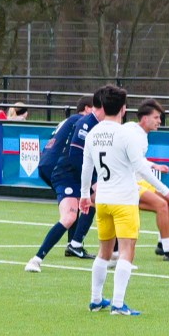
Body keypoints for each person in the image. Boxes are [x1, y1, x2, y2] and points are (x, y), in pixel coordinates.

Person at [79, 85, 169, 316]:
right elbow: (141, 167)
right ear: (123, 109)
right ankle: (119, 304)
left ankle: (95, 299)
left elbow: (86, 168)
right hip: (123, 199)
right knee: (126, 250)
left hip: (102, 200)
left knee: (103, 251)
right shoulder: (125, 134)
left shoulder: (93, 134)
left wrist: (84, 195)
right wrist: (166, 189)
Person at [25, 95, 94, 272]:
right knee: (83, 203)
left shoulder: (69, 120)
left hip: (48, 163)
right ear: (87, 109)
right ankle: (75, 244)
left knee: (82, 201)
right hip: (59, 166)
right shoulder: (82, 121)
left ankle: (74, 244)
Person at [130, 99, 169, 262]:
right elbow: (139, 167)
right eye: (156, 117)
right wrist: (164, 190)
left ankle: (162, 243)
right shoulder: (135, 134)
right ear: (144, 118)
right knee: (163, 203)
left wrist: (154, 165)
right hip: (128, 184)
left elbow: (138, 160)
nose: (159, 121)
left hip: (138, 181)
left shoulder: (139, 133)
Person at [63, 90, 108, 259]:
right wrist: (90, 182)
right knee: (99, 201)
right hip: (76, 173)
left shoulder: (100, 124)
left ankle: (76, 243)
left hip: (90, 174)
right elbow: (76, 156)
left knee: (96, 203)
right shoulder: (86, 123)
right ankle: (114, 249)